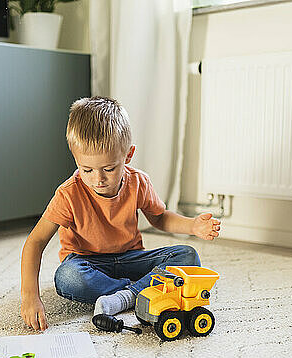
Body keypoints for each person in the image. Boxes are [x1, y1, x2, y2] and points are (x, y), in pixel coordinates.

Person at [20, 96, 220, 331]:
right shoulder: (69, 193)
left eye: (109, 168)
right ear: (76, 159)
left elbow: (160, 218)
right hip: (88, 263)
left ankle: (124, 296)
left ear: (128, 155)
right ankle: (140, 291)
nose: (98, 179)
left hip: (131, 258)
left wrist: (192, 226)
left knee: (188, 256)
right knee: (68, 278)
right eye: (87, 169)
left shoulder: (138, 182)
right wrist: (29, 296)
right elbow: (36, 241)